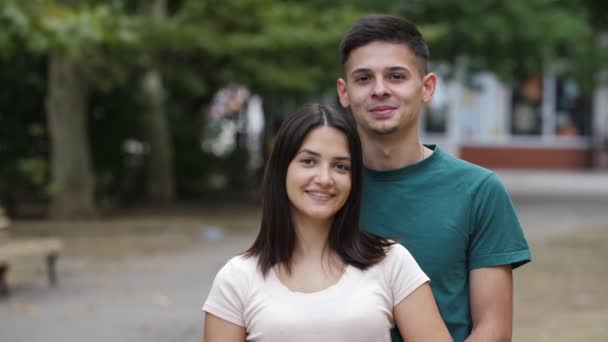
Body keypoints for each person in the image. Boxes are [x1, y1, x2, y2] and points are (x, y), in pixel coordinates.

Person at [336, 14, 532, 342]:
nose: (380, 90)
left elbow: (493, 330)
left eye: (396, 76)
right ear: (344, 92)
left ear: (427, 87)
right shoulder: (323, 188)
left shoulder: (478, 190)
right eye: (364, 78)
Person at [202, 103, 452, 341]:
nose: (324, 178)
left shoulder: (391, 262)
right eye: (308, 161)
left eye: (340, 166)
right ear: (281, 169)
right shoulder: (237, 278)